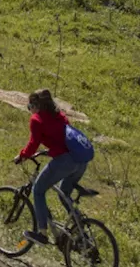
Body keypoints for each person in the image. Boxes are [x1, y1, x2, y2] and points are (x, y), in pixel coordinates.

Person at [15, 89, 89, 247]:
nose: (29, 110)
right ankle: (82, 234)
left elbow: (33, 144)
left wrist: (22, 156)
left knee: (38, 190)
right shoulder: (59, 115)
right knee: (64, 195)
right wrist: (50, 151)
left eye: (29, 106)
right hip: (81, 161)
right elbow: (63, 139)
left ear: (35, 105)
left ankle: (42, 233)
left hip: (65, 161)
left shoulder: (37, 119)